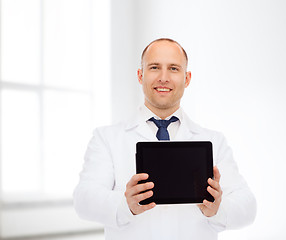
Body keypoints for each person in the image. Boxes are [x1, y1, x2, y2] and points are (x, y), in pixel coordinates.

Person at [73, 38, 256, 240]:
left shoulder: (214, 141)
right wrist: (125, 205)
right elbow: (83, 201)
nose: (163, 77)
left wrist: (217, 209)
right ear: (140, 75)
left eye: (173, 69)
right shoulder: (107, 138)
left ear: (187, 79)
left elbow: (247, 207)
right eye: (154, 67)